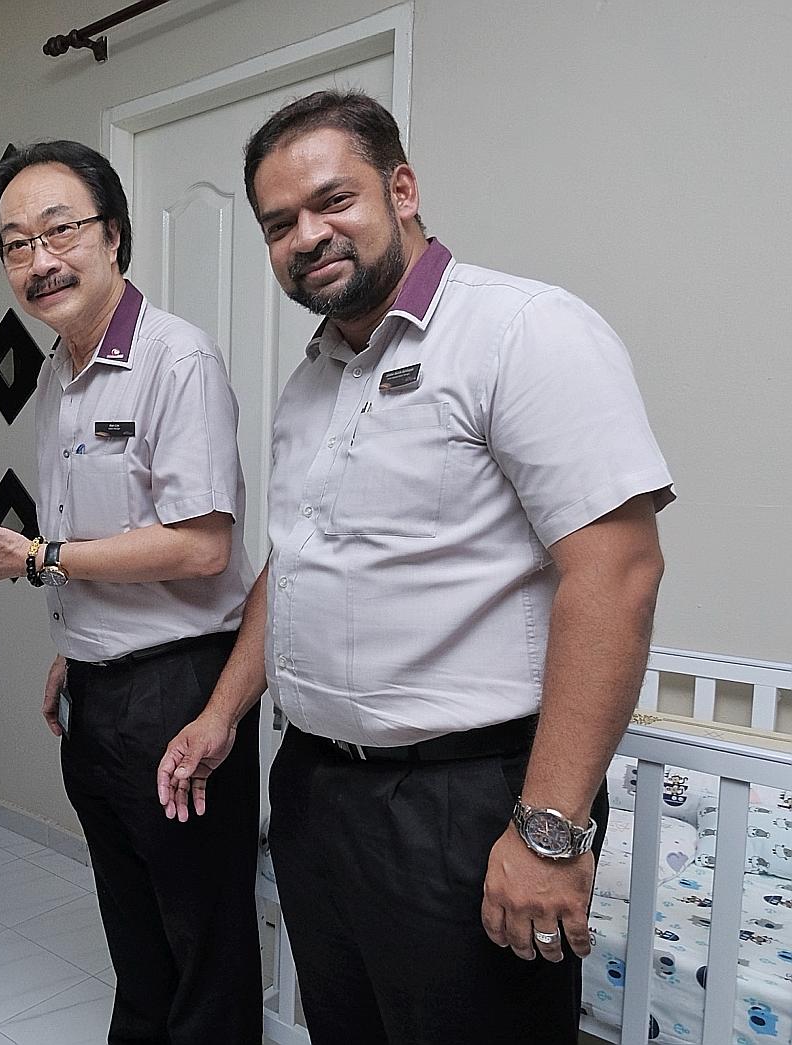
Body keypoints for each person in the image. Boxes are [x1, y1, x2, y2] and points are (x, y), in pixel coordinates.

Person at [156, 91, 672, 1045]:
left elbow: (619, 571)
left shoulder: (523, 331)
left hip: (465, 798)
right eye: (280, 225)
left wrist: (549, 829)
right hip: (317, 790)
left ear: (401, 188)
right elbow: (296, 562)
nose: (307, 237)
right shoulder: (313, 380)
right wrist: (223, 710)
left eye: (331, 202)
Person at [0, 141, 261, 1044]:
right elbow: (101, 533)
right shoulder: (55, 375)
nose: (39, 260)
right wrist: (74, 649)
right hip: (98, 691)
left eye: (59, 230)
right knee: (134, 929)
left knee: (203, 940)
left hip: (181, 689)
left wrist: (40, 557)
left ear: (112, 235)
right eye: (16, 243)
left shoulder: (175, 359)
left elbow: (200, 544)